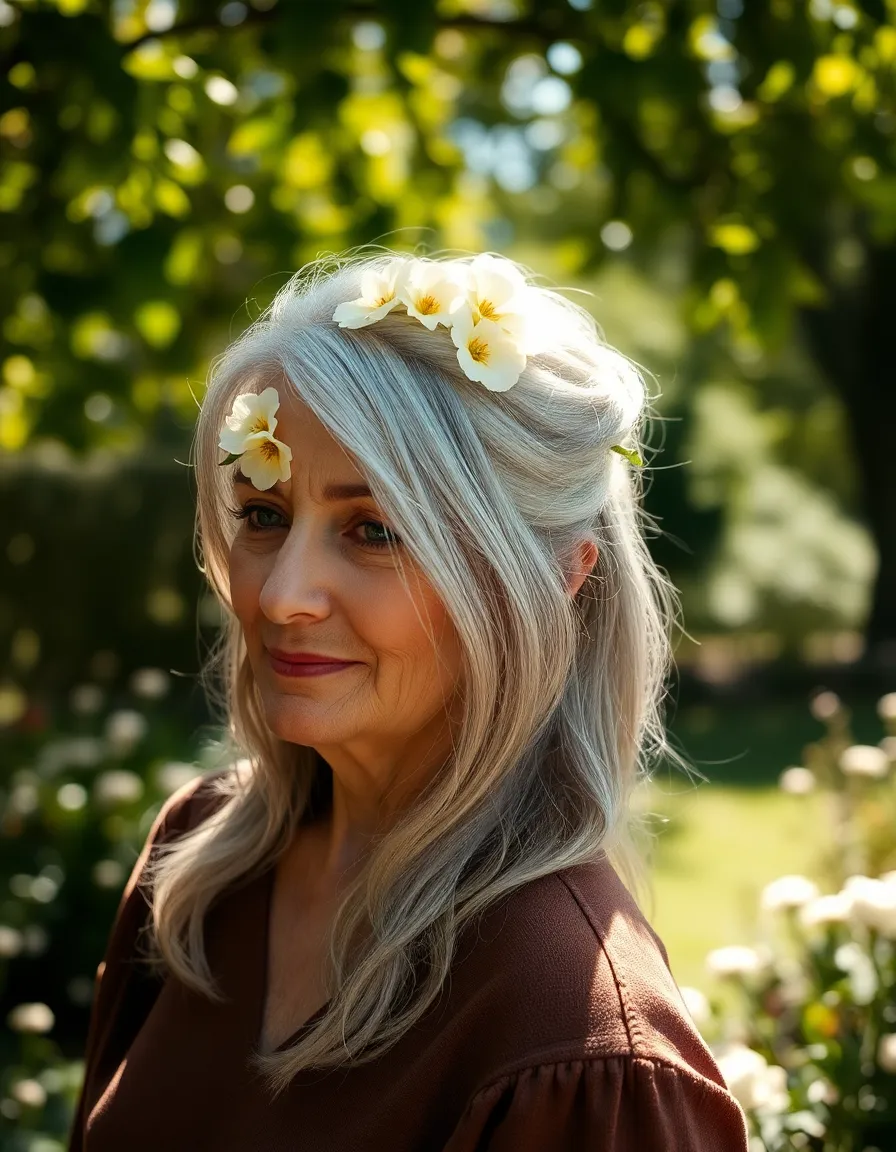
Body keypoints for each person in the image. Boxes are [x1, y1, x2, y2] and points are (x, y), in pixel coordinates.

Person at [68, 248, 750, 1150]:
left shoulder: (577, 1044)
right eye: (264, 515)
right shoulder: (200, 868)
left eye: (375, 530)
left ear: (554, 577)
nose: (282, 596)